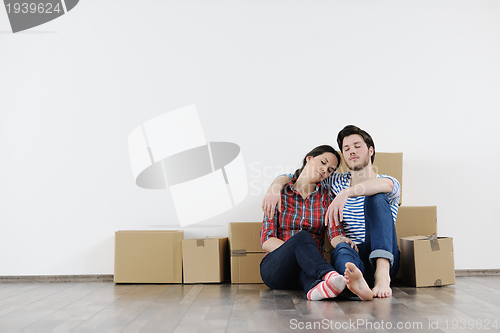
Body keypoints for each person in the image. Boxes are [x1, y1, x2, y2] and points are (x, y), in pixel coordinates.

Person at [262, 125, 401, 300]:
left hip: (383, 257)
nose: (352, 151)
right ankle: (350, 285)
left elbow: (387, 186)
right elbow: (301, 176)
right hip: (351, 255)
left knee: (376, 198)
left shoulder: (386, 181)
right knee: (342, 247)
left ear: (370, 150)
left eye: (357, 146)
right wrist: (275, 187)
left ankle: (381, 277)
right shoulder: (334, 182)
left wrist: (347, 192)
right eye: (347, 148)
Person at [260, 145, 347, 301]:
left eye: (330, 170)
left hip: (309, 269)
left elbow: (335, 233)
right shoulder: (279, 193)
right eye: (323, 162)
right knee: (302, 237)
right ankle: (329, 275)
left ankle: (316, 290)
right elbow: (267, 240)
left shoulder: (327, 197)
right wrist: (296, 252)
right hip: (276, 269)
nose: (325, 170)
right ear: (309, 158)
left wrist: (344, 241)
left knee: (308, 276)